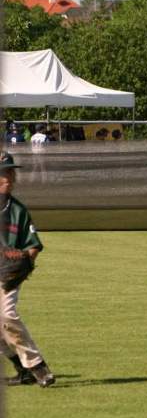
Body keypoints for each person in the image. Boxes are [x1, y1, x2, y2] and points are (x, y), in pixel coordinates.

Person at [0, 153, 55, 387]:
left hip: (8, 275)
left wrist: (23, 267)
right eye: (5, 172)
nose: (10, 176)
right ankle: (23, 370)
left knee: (7, 315)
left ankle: (38, 366)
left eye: (11, 171)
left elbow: (33, 245)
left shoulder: (18, 210)